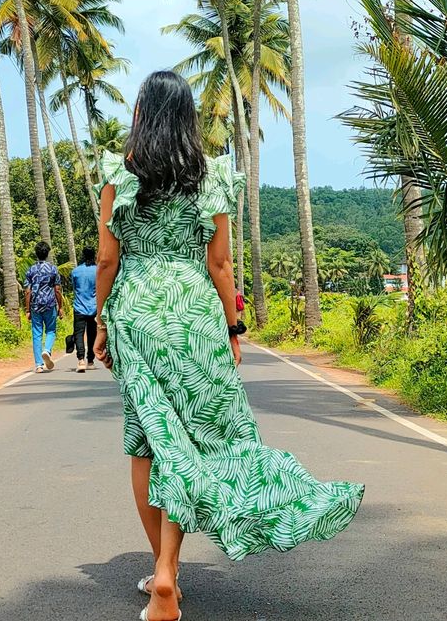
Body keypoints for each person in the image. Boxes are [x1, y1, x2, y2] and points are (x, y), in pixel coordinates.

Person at [93, 71, 364, 621]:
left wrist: (100, 324)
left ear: (141, 112)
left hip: (138, 310)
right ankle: (167, 571)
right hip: (194, 313)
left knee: (150, 441)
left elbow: (106, 260)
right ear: (188, 116)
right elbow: (219, 264)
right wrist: (233, 329)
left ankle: (163, 576)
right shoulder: (212, 174)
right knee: (200, 439)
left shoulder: (117, 172)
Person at [24, 242, 62, 373]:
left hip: (35, 306)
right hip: (50, 304)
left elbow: (27, 291)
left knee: (36, 334)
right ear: (47, 254)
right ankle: (47, 350)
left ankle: (39, 365)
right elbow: (57, 289)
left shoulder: (30, 270)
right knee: (51, 330)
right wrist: (60, 307)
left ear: (36, 253)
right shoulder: (53, 269)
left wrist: (27, 309)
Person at [71, 247, 98, 373]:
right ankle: (91, 361)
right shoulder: (97, 270)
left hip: (79, 307)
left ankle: (81, 360)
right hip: (93, 307)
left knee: (79, 335)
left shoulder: (76, 271)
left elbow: (75, 288)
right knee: (92, 334)